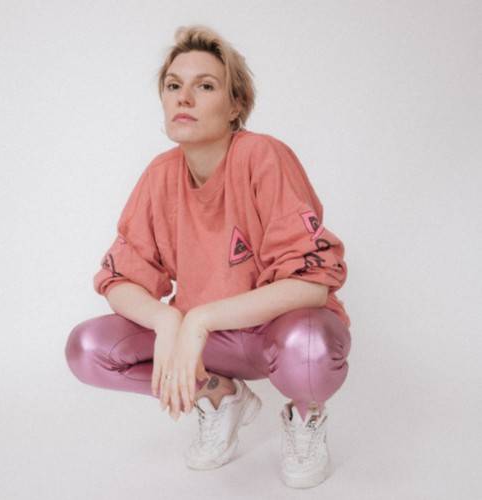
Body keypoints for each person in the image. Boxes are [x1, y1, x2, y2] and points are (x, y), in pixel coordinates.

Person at [64, 24, 352, 489]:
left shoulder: (263, 156)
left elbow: (313, 283)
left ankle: (306, 415)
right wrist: (166, 321)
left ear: (235, 105)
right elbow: (120, 279)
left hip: (274, 335)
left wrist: (198, 319)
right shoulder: (160, 176)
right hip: (209, 348)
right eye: (173, 85)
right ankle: (219, 395)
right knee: (88, 349)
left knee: (310, 348)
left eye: (205, 86)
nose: (184, 97)